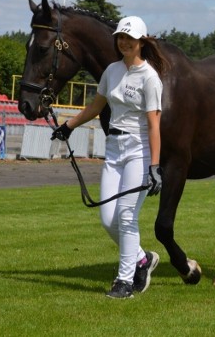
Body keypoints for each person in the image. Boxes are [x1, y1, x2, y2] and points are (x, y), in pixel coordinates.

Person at [51, 16, 170, 299]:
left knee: (127, 217)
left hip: (139, 152)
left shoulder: (150, 78)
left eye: (129, 38)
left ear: (141, 42)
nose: (124, 42)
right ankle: (142, 259)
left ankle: (124, 282)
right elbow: (96, 106)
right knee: (108, 219)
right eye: (120, 37)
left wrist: (155, 166)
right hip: (114, 149)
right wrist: (68, 126)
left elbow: (155, 125)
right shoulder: (111, 71)